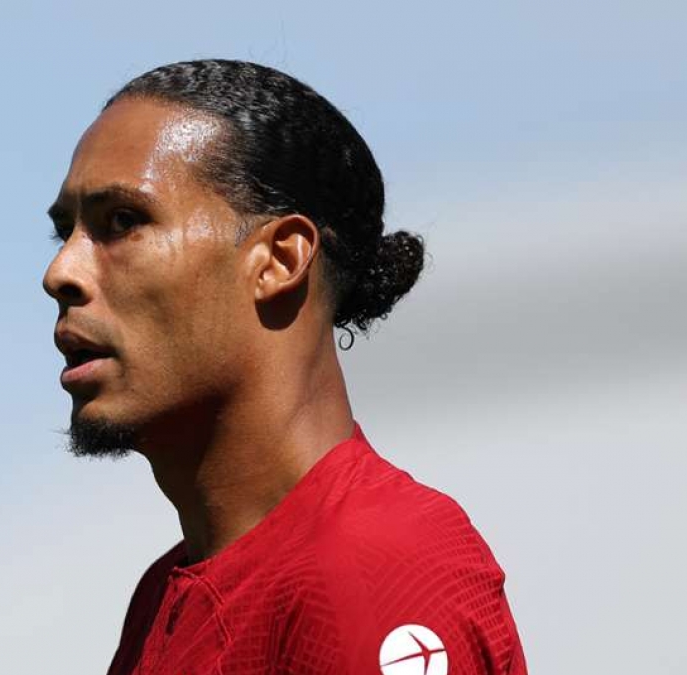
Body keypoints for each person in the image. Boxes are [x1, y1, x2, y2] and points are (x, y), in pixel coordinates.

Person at [41, 59, 526, 674]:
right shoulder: (163, 598)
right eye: (65, 232)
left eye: (123, 222)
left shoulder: (373, 566)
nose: (60, 272)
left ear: (278, 261)